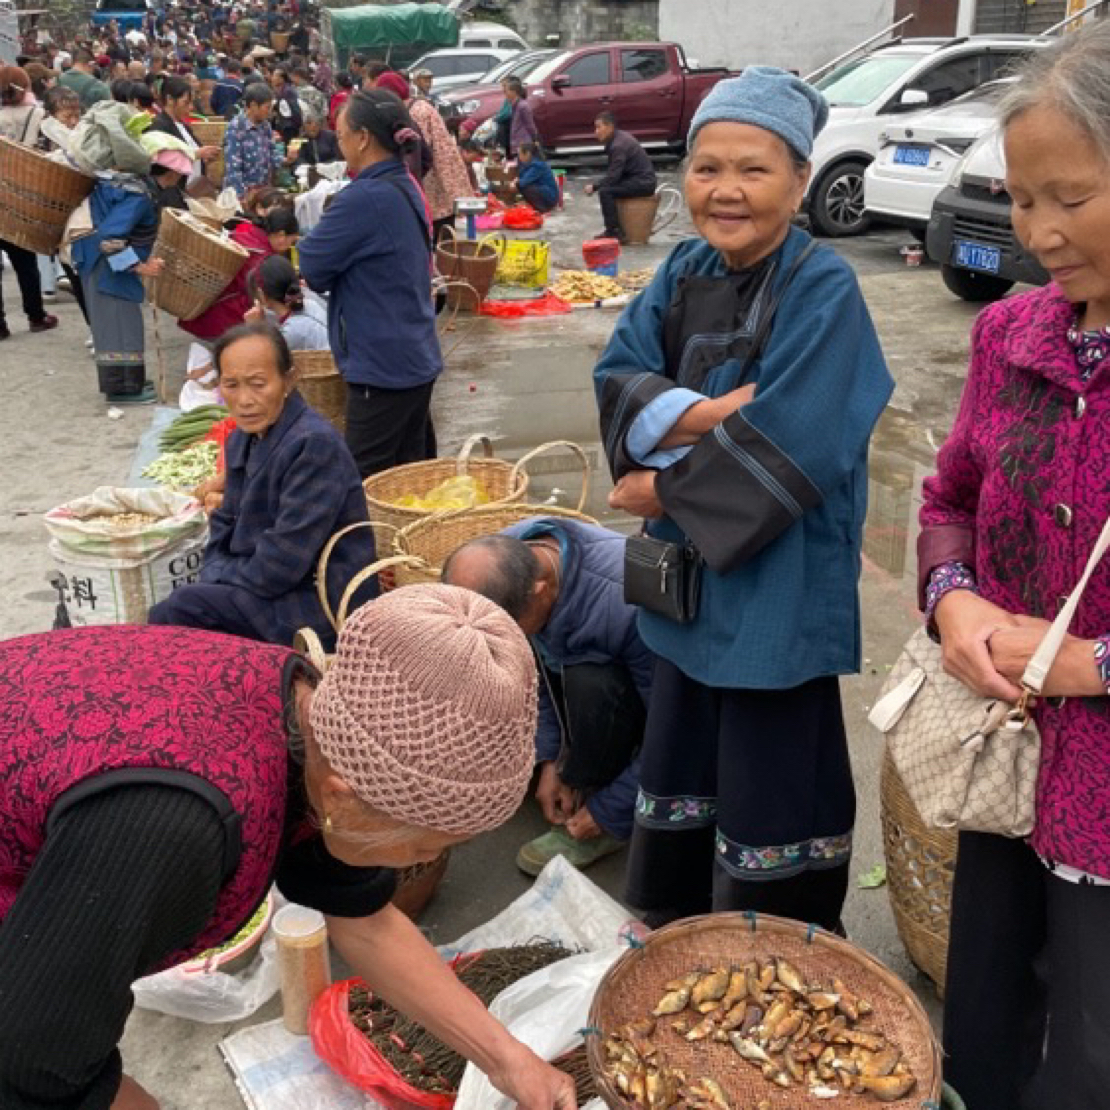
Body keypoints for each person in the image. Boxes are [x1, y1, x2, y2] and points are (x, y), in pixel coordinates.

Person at [0, 586, 578, 1110]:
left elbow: (365, 919)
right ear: (343, 797)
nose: (424, 864)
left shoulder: (316, 719)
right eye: (428, 845)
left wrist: (509, 1061)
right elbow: (34, 1063)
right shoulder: (180, 826)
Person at [594, 69, 892, 932]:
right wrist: (722, 413)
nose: (725, 191)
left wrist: (659, 484)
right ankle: (680, 931)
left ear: (801, 180)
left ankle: (776, 948)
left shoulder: (824, 287)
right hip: (688, 592)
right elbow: (616, 379)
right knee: (684, 750)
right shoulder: (683, 269)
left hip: (779, 585)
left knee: (771, 770)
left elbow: (799, 435)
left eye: (754, 170)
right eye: (706, 167)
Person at [916, 24, 1110, 1110]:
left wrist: (1094, 662)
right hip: (1004, 769)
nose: (1036, 230)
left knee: (1090, 1063)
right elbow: (948, 497)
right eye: (1019, 195)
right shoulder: (1012, 336)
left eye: (1068, 197)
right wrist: (955, 605)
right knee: (983, 1027)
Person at [443, 519, 653, 876]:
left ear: (541, 591)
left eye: (512, 625)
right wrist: (550, 759)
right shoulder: (503, 555)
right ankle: (570, 770)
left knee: (592, 682)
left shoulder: (628, 600)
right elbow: (533, 669)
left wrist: (612, 810)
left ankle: (595, 797)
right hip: (567, 674)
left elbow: (677, 727)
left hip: (633, 701)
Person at [149, 322, 374, 645]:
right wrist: (216, 577)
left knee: (179, 610)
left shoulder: (314, 445)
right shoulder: (242, 439)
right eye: (231, 385)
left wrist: (219, 580)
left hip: (318, 600)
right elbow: (225, 523)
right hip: (261, 580)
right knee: (183, 605)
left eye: (258, 384)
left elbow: (281, 563)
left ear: (289, 380)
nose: (244, 400)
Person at [299, 90, 443, 478]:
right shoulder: (404, 183)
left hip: (383, 366)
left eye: (342, 134)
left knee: (363, 481)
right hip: (413, 354)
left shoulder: (365, 197)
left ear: (363, 138)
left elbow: (311, 266)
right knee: (409, 478)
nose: (339, 142)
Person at [71, 143, 189, 403]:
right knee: (118, 327)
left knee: (122, 325)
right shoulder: (138, 196)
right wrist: (140, 266)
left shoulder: (138, 187)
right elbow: (109, 239)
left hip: (102, 263)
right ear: (171, 174)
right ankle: (122, 390)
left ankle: (128, 383)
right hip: (104, 265)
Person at [179, 205, 299, 341]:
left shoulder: (248, 232)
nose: (290, 246)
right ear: (281, 235)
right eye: (292, 241)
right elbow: (265, 296)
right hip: (225, 318)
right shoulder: (259, 257)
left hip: (207, 311)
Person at [0, 65, 57, 342]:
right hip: (22, 198)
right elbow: (48, 155)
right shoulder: (38, 115)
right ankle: (35, 315)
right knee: (25, 262)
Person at [386, 72, 473, 241]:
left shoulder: (402, 113)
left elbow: (429, 153)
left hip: (418, 193)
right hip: (435, 192)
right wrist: (460, 194)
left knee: (429, 244)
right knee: (443, 245)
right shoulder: (420, 108)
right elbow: (445, 153)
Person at [585, 112, 656, 243]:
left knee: (606, 191)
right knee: (609, 188)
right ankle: (615, 229)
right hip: (640, 179)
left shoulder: (618, 145)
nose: (596, 132)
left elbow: (613, 177)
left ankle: (614, 232)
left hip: (643, 182)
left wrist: (595, 186)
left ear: (610, 127)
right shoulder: (619, 138)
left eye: (599, 127)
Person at [245, 254, 329, 350]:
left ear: (261, 295)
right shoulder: (310, 303)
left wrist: (254, 328)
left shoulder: (292, 331)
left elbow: (261, 355)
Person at [147, 74, 221, 178]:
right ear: (170, 100)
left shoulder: (183, 126)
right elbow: (164, 163)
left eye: (191, 103)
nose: (190, 107)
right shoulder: (158, 127)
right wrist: (197, 154)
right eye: (186, 102)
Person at [225, 82, 278, 199]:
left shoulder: (265, 126)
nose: (269, 111)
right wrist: (241, 195)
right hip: (244, 193)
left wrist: (286, 160)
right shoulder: (236, 127)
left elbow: (272, 153)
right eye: (267, 107)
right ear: (253, 106)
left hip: (262, 191)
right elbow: (233, 167)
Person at [514, 142, 559, 214]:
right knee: (520, 184)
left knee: (523, 185)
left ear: (528, 154)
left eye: (520, 154)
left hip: (550, 197)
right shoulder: (530, 163)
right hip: (545, 193)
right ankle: (537, 207)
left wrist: (516, 181)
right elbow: (522, 176)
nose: (519, 157)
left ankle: (542, 209)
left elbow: (523, 182)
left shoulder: (537, 165)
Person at [505, 75, 538, 157]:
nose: (505, 94)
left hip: (523, 144)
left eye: (507, 91)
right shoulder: (514, 105)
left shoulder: (523, 106)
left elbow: (530, 125)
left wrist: (535, 138)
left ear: (514, 92)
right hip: (517, 144)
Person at [269, 65, 302, 142]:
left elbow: (294, 110)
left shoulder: (288, 92)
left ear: (281, 79)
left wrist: (296, 125)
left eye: (274, 76)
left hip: (290, 127)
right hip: (284, 126)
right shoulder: (280, 91)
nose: (272, 78)